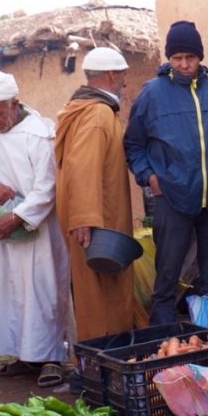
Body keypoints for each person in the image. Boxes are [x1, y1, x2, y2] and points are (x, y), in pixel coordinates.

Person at [124, 21, 208, 326]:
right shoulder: (152, 95)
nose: (184, 65)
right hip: (172, 198)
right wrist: (150, 177)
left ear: (200, 58)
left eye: (190, 58)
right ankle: (163, 338)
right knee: (168, 273)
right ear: (169, 59)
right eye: (177, 58)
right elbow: (133, 144)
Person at [0, 72, 70, 386]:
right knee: (10, 290)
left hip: (38, 232)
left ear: (14, 104)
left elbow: (48, 188)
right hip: (0, 231)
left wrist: (17, 216)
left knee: (43, 289)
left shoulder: (40, 134)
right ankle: (24, 355)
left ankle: (52, 357)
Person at [54, 47, 136, 341]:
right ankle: (103, 360)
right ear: (113, 75)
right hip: (97, 223)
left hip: (96, 216)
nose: (125, 83)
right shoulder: (97, 114)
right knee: (102, 295)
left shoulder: (87, 109)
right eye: (123, 75)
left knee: (99, 291)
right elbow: (82, 167)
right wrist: (86, 217)